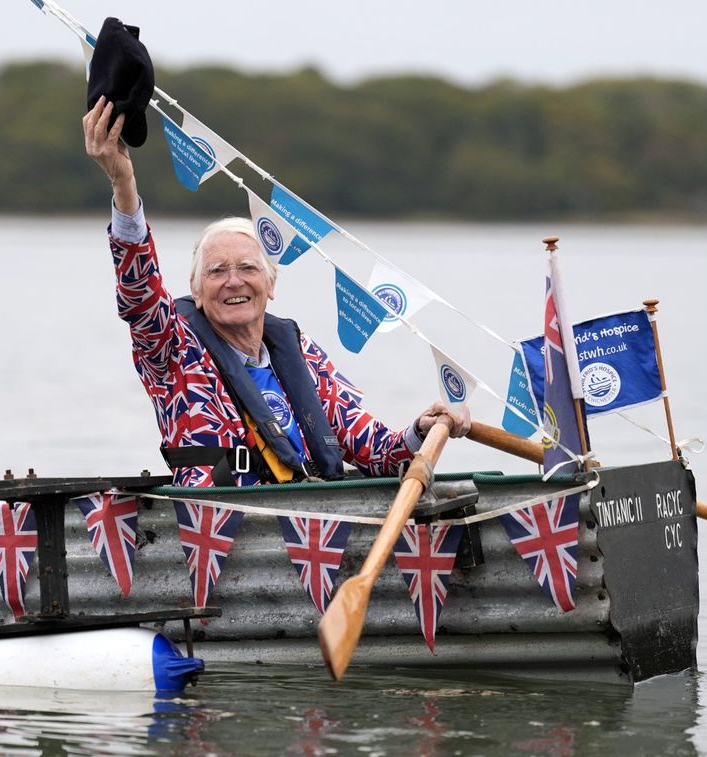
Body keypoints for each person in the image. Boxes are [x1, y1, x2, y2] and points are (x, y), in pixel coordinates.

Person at [83, 97, 470, 488]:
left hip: (315, 516)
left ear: (271, 286)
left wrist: (422, 429)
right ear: (197, 293)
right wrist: (123, 184)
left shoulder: (300, 352)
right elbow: (140, 295)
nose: (234, 281)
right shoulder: (174, 349)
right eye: (217, 272)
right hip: (221, 523)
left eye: (249, 268)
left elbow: (377, 452)